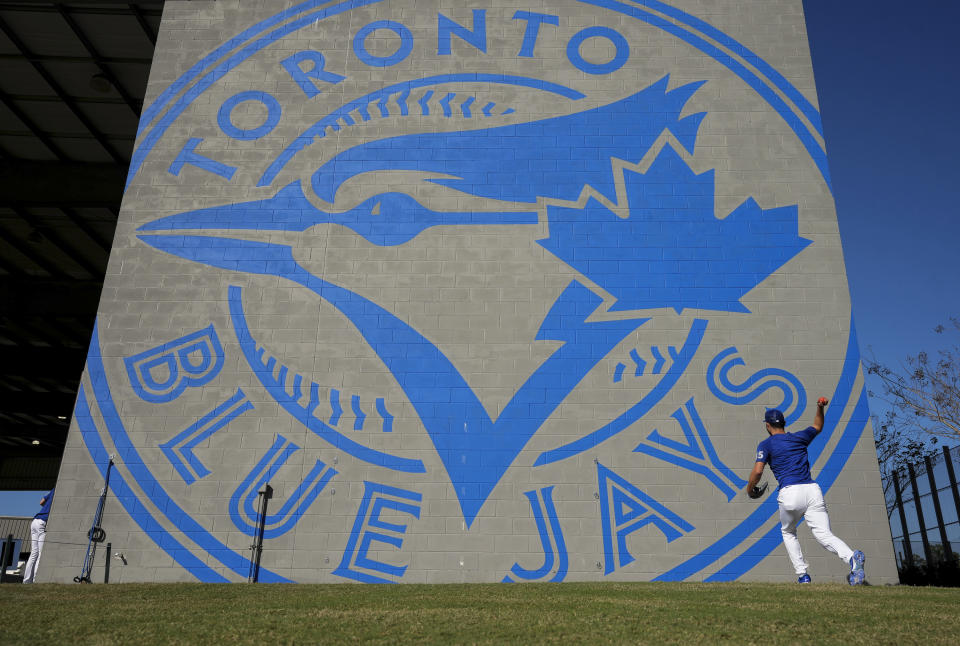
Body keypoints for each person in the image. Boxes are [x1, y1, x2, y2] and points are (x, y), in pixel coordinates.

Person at [746, 399, 866, 585]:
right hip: (812, 490)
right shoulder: (799, 437)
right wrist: (819, 407)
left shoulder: (766, 444)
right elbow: (818, 425)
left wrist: (749, 489)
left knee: (788, 532)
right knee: (824, 535)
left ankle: (803, 575)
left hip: (790, 492)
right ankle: (851, 558)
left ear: (768, 425)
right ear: (783, 423)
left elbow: (758, 471)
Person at [22, 487, 54, 584]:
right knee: (40, 553)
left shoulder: (53, 489)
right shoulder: (61, 490)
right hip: (43, 522)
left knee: (33, 553)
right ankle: (35, 580)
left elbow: (41, 502)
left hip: (35, 521)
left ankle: (26, 581)